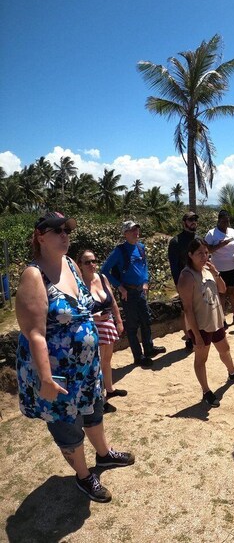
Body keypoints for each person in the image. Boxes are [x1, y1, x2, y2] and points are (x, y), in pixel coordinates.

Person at [15, 212, 134, 503]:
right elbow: (35, 333)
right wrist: (45, 378)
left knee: (93, 410)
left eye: (67, 230)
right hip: (57, 373)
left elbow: (79, 306)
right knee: (67, 425)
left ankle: (103, 455)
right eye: (57, 231)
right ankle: (83, 476)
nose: (65, 235)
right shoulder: (34, 275)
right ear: (41, 237)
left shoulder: (69, 263)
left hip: (85, 367)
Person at [177, 238, 234, 408]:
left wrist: (216, 272)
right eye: (199, 253)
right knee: (201, 358)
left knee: (224, 349)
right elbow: (187, 309)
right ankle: (206, 391)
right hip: (200, 325)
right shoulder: (186, 276)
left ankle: (232, 373)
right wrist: (195, 334)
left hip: (215, 319)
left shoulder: (208, 270)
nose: (203, 256)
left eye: (205, 252)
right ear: (190, 255)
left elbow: (223, 289)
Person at [101, 221, 165, 368]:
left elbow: (144, 266)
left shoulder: (140, 247)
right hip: (128, 293)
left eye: (137, 229)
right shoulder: (120, 251)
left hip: (140, 291)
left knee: (146, 320)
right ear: (125, 233)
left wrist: (145, 281)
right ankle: (138, 356)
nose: (136, 232)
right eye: (132, 230)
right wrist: (119, 287)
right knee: (132, 325)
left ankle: (148, 349)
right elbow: (104, 271)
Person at [77, 250, 126, 404]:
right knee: (96, 364)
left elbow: (112, 302)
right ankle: (100, 400)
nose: (92, 264)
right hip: (92, 329)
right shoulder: (78, 285)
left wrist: (119, 321)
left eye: (94, 261)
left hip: (108, 326)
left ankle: (109, 389)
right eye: (87, 262)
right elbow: (76, 313)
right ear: (80, 265)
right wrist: (94, 317)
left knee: (107, 360)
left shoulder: (102, 278)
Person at [204, 210, 234, 327]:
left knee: (232, 292)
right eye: (223, 221)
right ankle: (222, 318)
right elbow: (207, 250)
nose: (226, 223)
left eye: (227, 221)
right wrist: (220, 245)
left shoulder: (232, 231)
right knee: (221, 293)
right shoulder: (211, 234)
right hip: (219, 269)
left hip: (233, 267)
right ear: (219, 220)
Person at [168, 211, 199, 351]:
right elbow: (174, 266)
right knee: (186, 310)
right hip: (184, 281)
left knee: (198, 308)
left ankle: (197, 334)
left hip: (199, 279)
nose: (194, 222)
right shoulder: (175, 242)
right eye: (191, 219)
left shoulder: (199, 239)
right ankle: (188, 337)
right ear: (184, 222)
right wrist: (178, 285)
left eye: (195, 219)